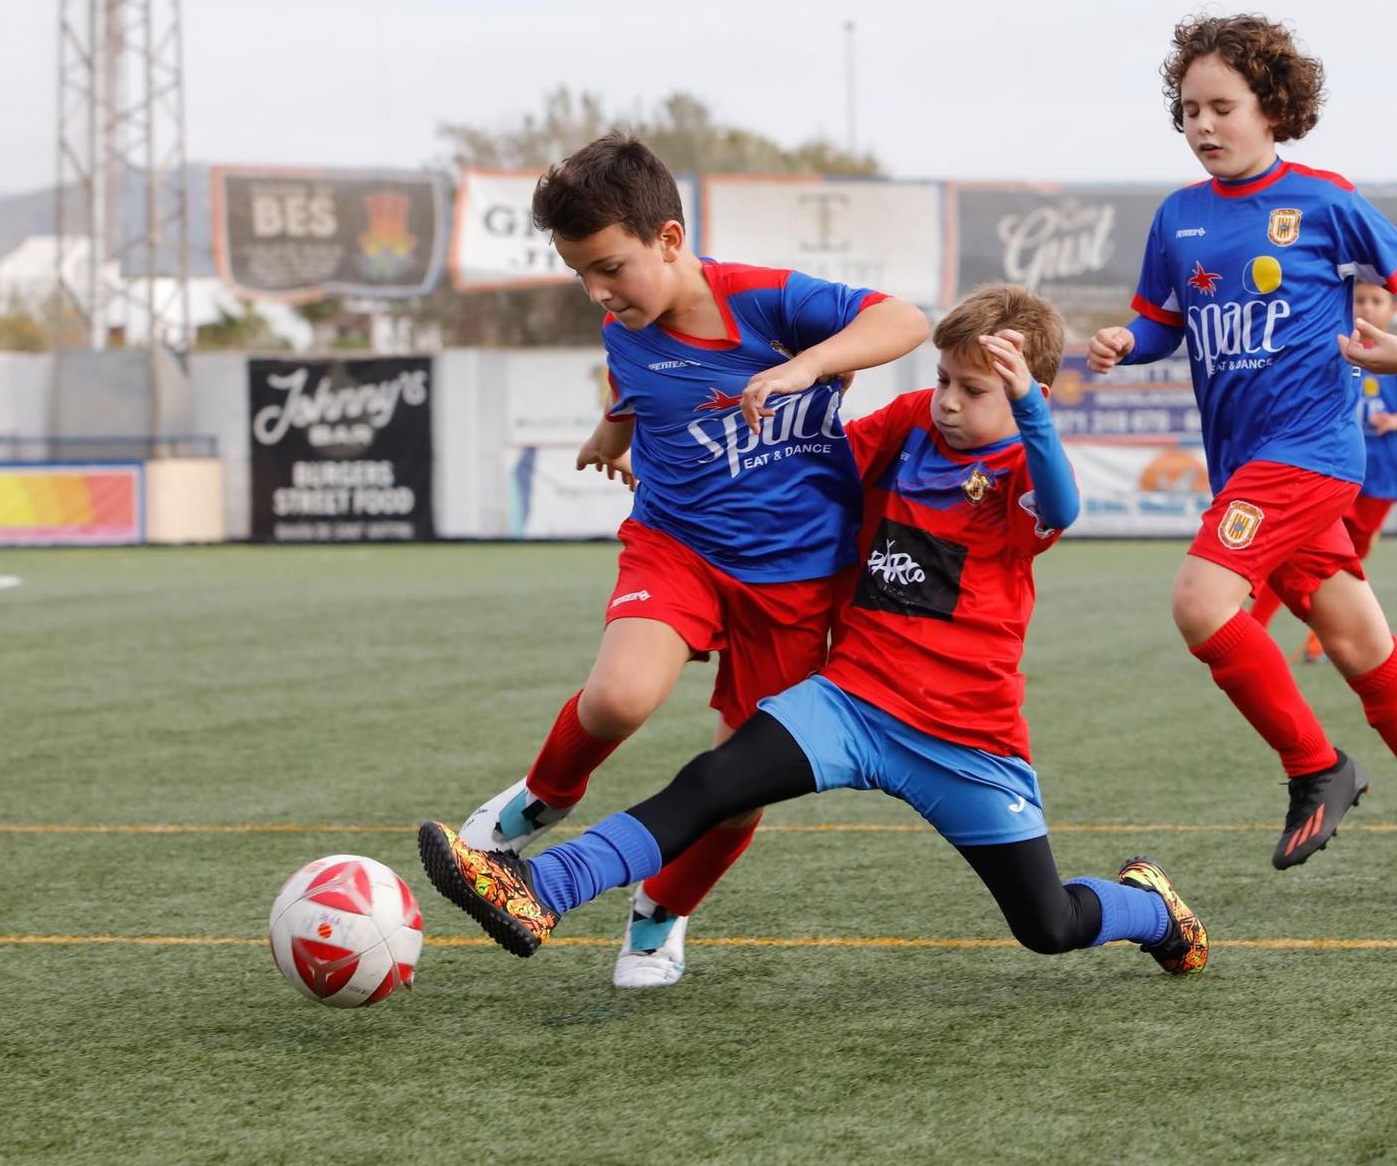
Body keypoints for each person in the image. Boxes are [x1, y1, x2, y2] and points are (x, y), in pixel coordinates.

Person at [418, 287, 1210, 978]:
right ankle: (541, 890)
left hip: (965, 738)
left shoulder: (1018, 475)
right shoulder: (913, 426)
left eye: (974, 389)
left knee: (1048, 924)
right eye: (942, 379)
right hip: (853, 702)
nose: (947, 400)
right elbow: (808, 471)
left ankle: (1150, 906)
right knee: (712, 783)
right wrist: (648, 441)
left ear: (1027, 392)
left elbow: (1064, 507)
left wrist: (1033, 415)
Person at [448, 132, 929, 988]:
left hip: (794, 573)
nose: (597, 292)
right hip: (677, 543)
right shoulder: (623, 321)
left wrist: (806, 365)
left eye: (610, 267)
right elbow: (637, 375)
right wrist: (615, 425)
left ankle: (661, 909)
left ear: (670, 239)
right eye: (580, 275)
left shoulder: (768, 300)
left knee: (739, 781)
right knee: (622, 694)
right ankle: (537, 804)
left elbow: (906, 319)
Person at [1087, 12, 1397, 903]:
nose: (1203, 125)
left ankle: (1317, 768)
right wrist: (1124, 342)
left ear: (1272, 108)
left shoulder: (1321, 199)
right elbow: (1164, 320)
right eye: (1188, 110)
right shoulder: (1178, 217)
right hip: (1245, 464)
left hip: (1312, 450)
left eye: (1222, 106)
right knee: (1360, 642)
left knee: (1201, 600)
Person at [1251, 281, 1397, 663]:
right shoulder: (1330, 344)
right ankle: (1260, 629)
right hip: (1331, 469)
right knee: (1301, 552)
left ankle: (1321, 639)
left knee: (1348, 561)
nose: (1368, 308)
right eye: (1361, 300)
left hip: (1380, 475)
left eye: (1377, 301)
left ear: (1392, 309)